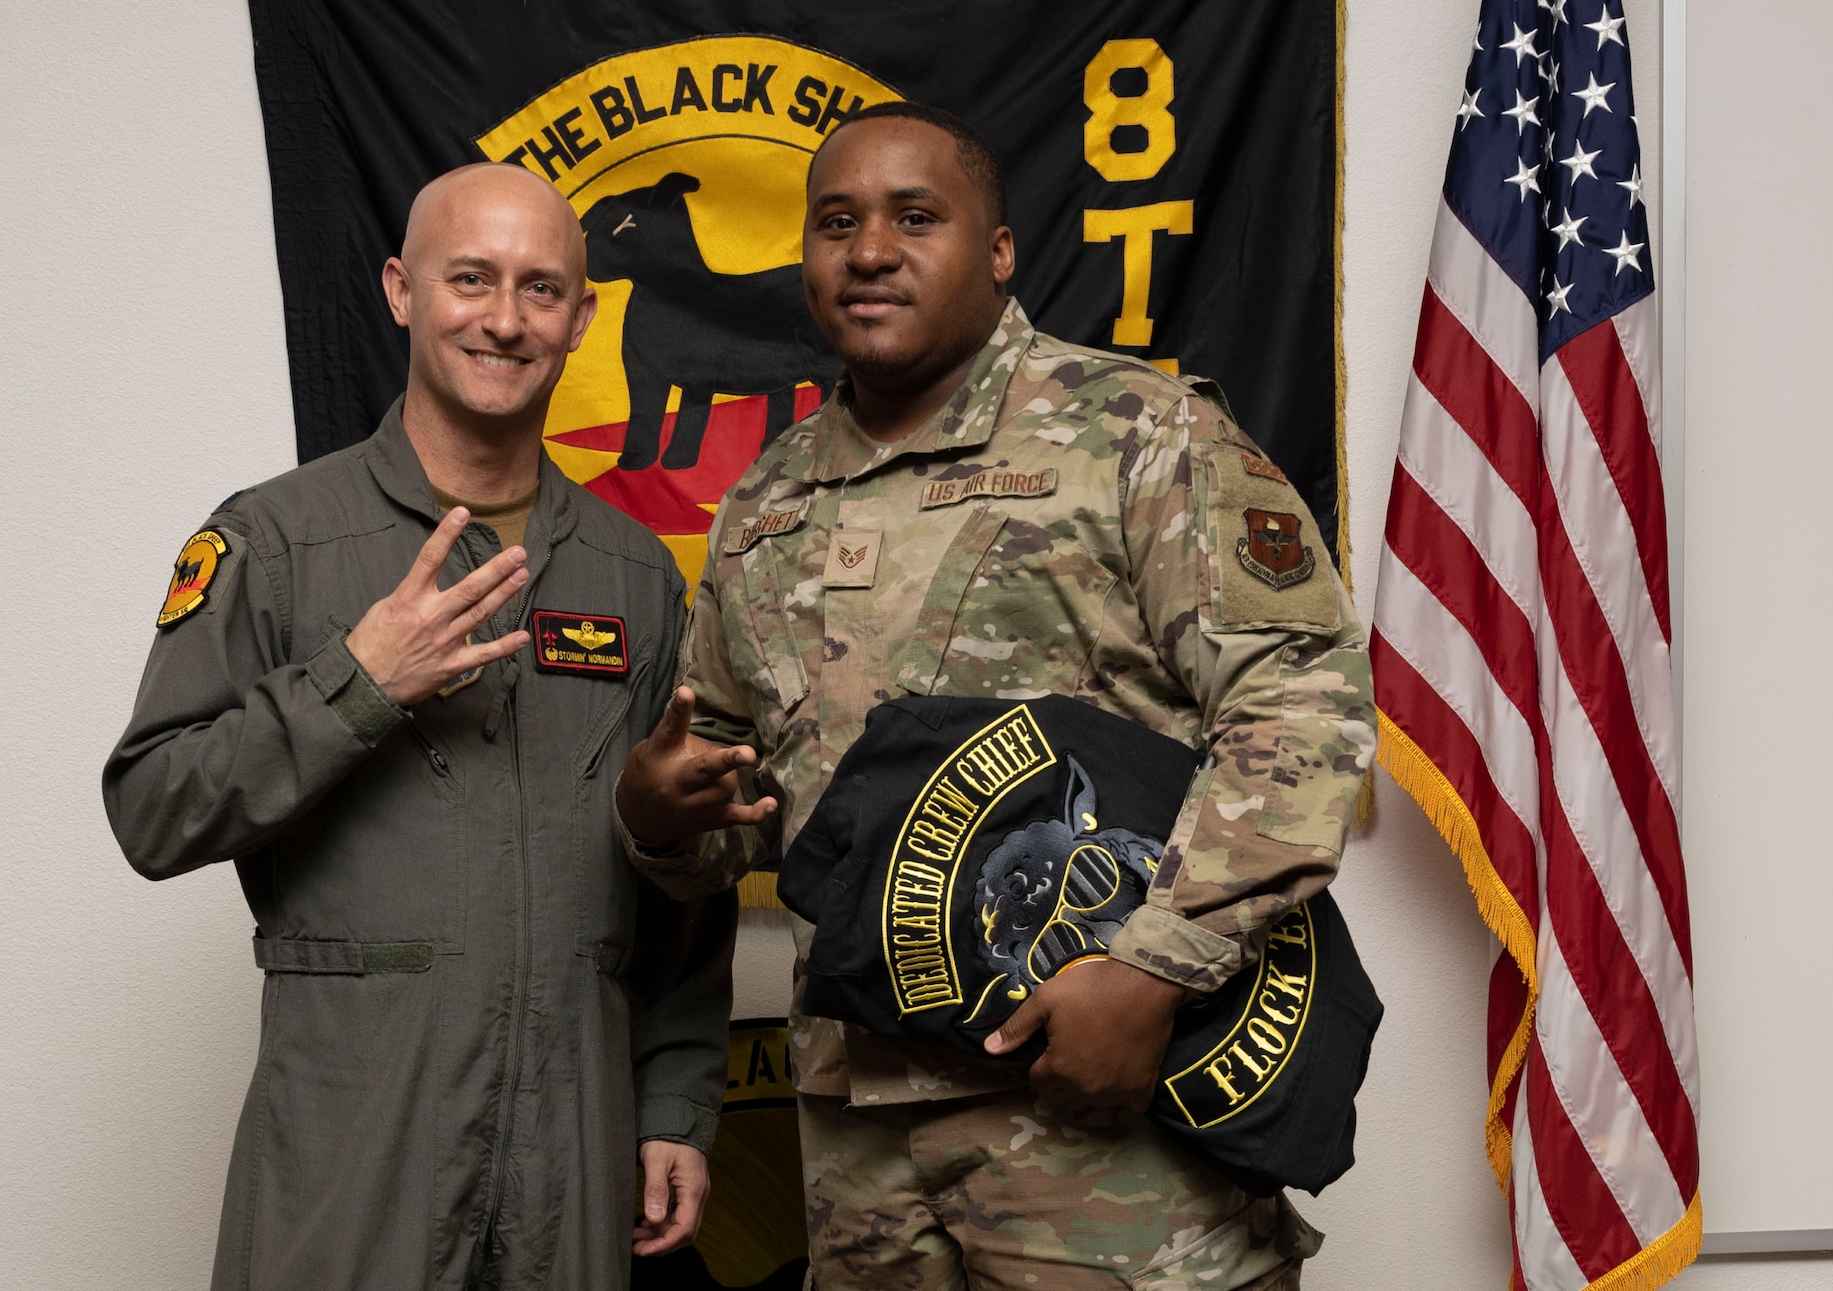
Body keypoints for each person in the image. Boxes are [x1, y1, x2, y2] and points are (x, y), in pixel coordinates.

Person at [615, 103, 1375, 1289]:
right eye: (836, 223)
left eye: (914, 217)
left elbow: (1301, 711)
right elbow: (730, 805)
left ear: (999, 249)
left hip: (1095, 1117)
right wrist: (658, 824)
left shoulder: (1137, 433)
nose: (869, 250)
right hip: (855, 1135)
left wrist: (1155, 964)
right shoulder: (764, 505)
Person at [104, 163, 730, 1291]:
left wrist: (676, 1099)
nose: (504, 318)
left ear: (581, 316)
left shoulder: (632, 573)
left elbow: (683, 872)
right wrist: (358, 681)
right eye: (470, 279)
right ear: (400, 290)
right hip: (355, 1142)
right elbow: (152, 809)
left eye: (541, 289)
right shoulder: (277, 541)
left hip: (572, 1153)